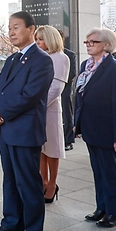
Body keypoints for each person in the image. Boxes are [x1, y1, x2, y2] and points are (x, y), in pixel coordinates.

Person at [0, 12, 54, 231]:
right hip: (5, 130)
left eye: (16, 27)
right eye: (9, 28)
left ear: (31, 29)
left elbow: (31, 95)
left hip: (24, 130)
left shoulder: (42, 59)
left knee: (28, 182)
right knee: (10, 179)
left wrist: (1, 113)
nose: (11, 32)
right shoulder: (13, 59)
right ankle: (13, 223)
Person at [74, 28, 116, 229]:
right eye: (87, 42)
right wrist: (78, 125)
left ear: (106, 45)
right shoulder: (86, 66)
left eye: (93, 42)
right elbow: (81, 97)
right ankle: (102, 208)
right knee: (98, 171)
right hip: (91, 129)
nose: (89, 44)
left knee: (110, 173)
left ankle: (115, 213)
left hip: (107, 130)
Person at [34, 25, 69, 203]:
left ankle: (52, 183)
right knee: (41, 148)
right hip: (37, 109)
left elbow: (56, 88)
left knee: (52, 149)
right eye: (37, 39)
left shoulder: (61, 58)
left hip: (50, 109)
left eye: (41, 39)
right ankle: (43, 180)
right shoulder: (42, 57)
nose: (38, 42)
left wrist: (36, 105)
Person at [59, 29, 78, 151]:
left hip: (65, 89)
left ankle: (68, 140)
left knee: (66, 114)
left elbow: (72, 73)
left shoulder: (70, 54)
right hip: (49, 89)